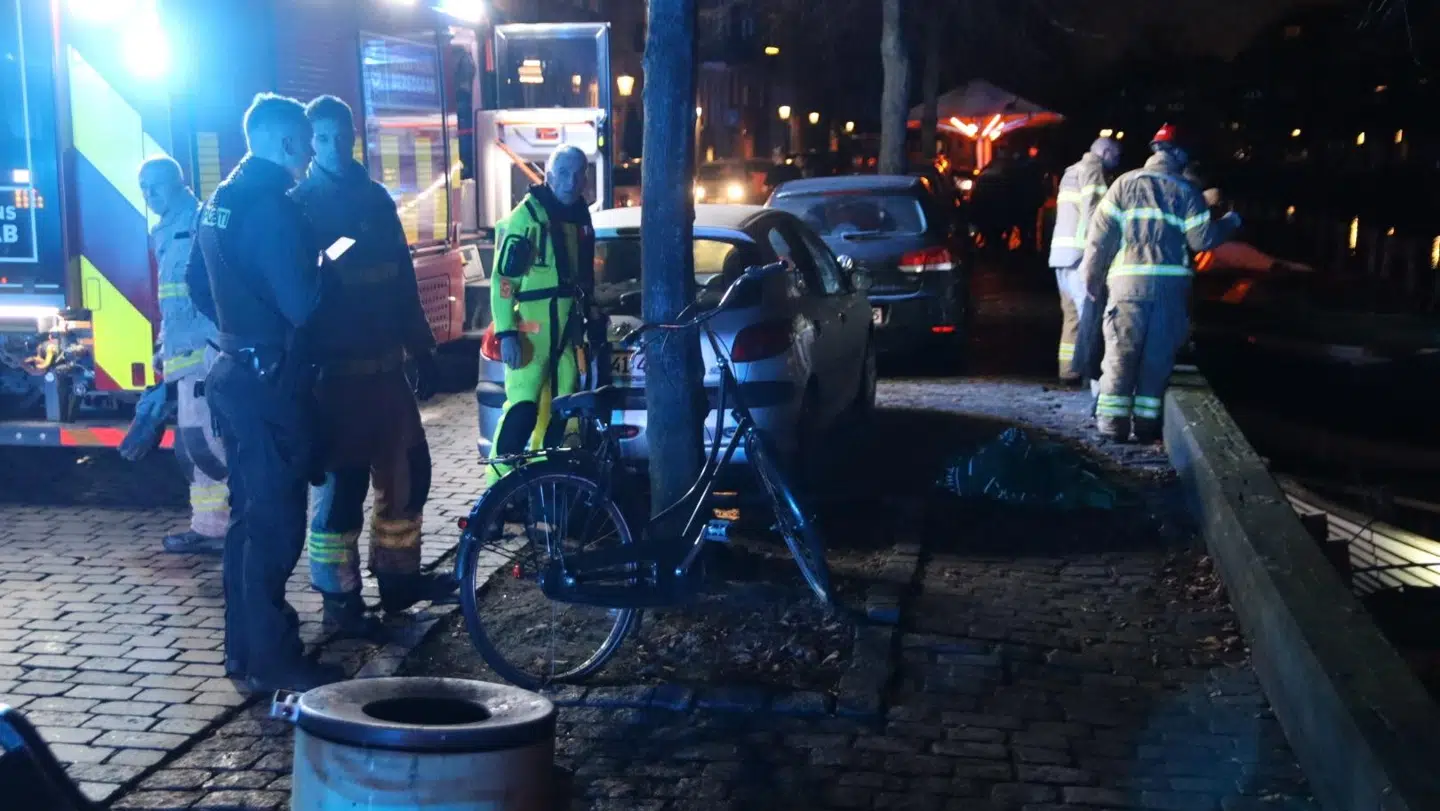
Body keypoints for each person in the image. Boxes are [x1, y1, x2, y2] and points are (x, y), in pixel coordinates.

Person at [186, 92, 341, 692]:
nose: (308, 155)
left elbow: (198, 283)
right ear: (283, 143)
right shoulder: (275, 207)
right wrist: (330, 261)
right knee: (276, 528)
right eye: (304, 144)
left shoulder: (218, 200)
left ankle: (243, 651)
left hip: (234, 370)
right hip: (271, 383)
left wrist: (237, 324)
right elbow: (305, 304)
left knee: (248, 523)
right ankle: (276, 660)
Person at [291, 95, 455, 637]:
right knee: (341, 494)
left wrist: (424, 349)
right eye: (323, 137)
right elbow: (304, 284)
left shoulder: (376, 198)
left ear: (355, 136)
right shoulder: (301, 203)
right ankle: (339, 601)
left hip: (387, 374)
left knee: (410, 477)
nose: (335, 145)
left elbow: (404, 282)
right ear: (310, 142)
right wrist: (341, 247)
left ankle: (398, 583)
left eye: (343, 135)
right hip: (335, 380)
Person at [1076, 124, 1241, 443]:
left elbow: (1098, 239)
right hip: (1169, 291)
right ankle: (1147, 426)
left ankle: (1112, 424)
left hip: (1127, 286)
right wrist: (1230, 222)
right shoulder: (1187, 191)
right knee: (1157, 358)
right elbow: (1202, 240)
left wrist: (1091, 278)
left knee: (1120, 354)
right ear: (1179, 155)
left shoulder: (1123, 184)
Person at [485, 145, 596, 486]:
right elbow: (503, 281)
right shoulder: (527, 219)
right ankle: (496, 493)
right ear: (548, 176)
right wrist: (506, 333)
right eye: (563, 172)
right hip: (531, 334)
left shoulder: (579, 217)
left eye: (578, 173)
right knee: (522, 411)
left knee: (563, 414)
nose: (571, 180)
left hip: (566, 334)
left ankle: (547, 487)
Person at [137, 156, 228, 553]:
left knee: (203, 442)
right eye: (143, 188)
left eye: (156, 185)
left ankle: (216, 529)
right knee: (195, 442)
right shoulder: (164, 230)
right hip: (183, 352)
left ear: (180, 182)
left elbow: (211, 292)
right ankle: (213, 524)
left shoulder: (199, 221)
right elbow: (171, 303)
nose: (149, 194)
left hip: (204, 353)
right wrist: (163, 349)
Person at [1047, 137, 1120, 385]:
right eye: (1116, 156)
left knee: (1071, 318)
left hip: (1060, 256)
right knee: (1089, 318)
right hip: (1080, 257)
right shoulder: (1093, 170)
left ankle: (1068, 372)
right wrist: (1099, 255)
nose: (1116, 162)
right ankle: (1095, 382)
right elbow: (1095, 216)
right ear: (1106, 152)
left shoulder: (1071, 171)